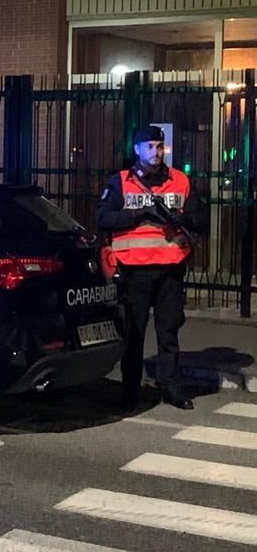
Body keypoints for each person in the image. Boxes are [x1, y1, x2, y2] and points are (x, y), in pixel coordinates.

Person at [97, 125, 208, 411]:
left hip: (170, 271)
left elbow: (201, 220)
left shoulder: (180, 181)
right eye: (150, 147)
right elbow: (104, 218)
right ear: (137, 149)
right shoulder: (121, 181)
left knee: (169, 333)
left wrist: (182, 218)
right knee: (134, 335)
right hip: (135, 272)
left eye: (160, 147)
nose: (156, 152)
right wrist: (138, 213)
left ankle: (172, 389)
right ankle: (130, 392)